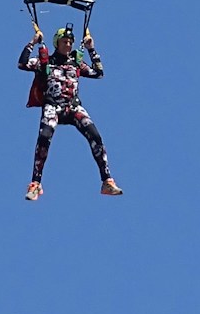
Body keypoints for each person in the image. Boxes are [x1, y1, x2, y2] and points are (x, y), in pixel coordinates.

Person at [19, 23, 123, 199]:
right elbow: (22, 64)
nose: (68, 44)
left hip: (73, 106)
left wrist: (91, 49)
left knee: (95, 136)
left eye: (70, 42)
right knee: (44, 137)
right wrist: (33, 42)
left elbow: (98, 73)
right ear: (57, 43)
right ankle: (35, 184)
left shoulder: (77, 63)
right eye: (64, 41)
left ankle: (107, 181)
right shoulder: (45, 62)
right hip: (53, 106)